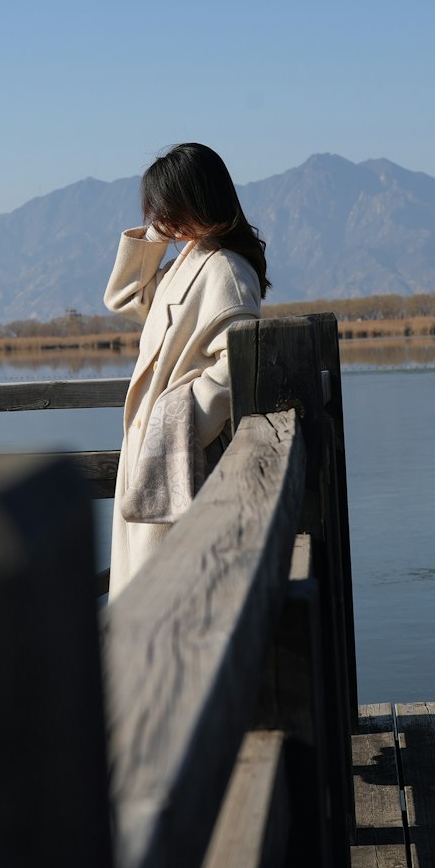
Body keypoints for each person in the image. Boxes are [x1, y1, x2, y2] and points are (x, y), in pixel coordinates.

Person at [103, 143, 269, 598]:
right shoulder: (191, 260)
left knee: (165, 603)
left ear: (195, 201)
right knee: (147, 598)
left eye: (168, 209)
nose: (163, 221)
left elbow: (235, 366)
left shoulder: (227, 273)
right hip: (156, 453)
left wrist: (178, 419)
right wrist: (157, 234)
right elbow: (124, 298)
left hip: (180, 458)